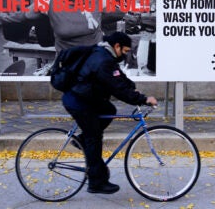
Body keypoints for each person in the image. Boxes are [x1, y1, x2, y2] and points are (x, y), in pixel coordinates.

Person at [62, 32, 158, 194]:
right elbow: (117, 88)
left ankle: (82, 140)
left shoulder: (105, 55)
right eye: (125, 51)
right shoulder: (103, 60)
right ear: (117, 46)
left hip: (86, 98)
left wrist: (132, 87)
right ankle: (96, 182)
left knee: (109, 110)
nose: (126, 54)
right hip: (79, 102)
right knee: (94, 137)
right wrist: (142, 99)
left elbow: (119, 78)